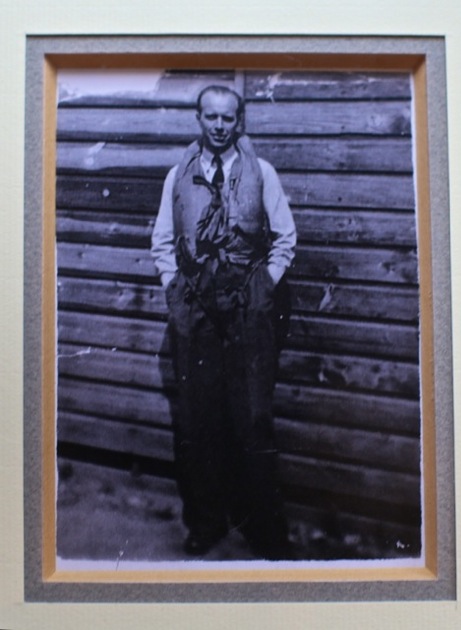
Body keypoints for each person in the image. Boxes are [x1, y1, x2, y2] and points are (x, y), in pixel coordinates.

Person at [151, 85, 296, 560]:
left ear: (239, 121)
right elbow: (162, 240)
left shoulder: (261, 173)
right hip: (196, 312)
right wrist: (175, 287)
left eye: (227, 118)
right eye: (210, 117)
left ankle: (265, 530)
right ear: (198, 119)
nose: (219, 126)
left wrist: (263, 287)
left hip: (247, 313)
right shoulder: (178, 177)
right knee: (200, 419)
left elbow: (285, 237)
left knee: (252, 419)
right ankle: (206, 522)